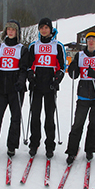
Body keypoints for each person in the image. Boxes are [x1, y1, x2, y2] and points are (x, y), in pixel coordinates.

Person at [0, 20, 28, 159]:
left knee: (15, 118)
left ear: (17, 32)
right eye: (8, 29)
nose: (10, 32)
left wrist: (21, 81)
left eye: (13, 30)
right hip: (2, 87)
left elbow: (23, 68)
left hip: (16, 88)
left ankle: (11, 146)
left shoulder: (22, 49)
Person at [65, 31, 95, 164]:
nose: (91, 42)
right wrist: (72, 68)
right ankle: (71, 151)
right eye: (89, 39)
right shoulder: (80, 55)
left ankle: (89, 150)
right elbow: (74, 75)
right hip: (83, 94)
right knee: (78, 124)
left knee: (94, 124)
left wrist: (94, 75)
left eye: (93, 40)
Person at [27, 18, 66, 159]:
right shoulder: (33, 45)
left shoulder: (58, 46)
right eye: (41, 27)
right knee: (35, 116)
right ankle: (34, 143)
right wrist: (30, 77)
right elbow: (28, 65)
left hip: (50, 86)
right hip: (37, 86)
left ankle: (50, 145)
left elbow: (62, 67)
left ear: (50, 29)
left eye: (46, 27)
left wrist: (57, 80)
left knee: (49, 118)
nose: (44, 30)